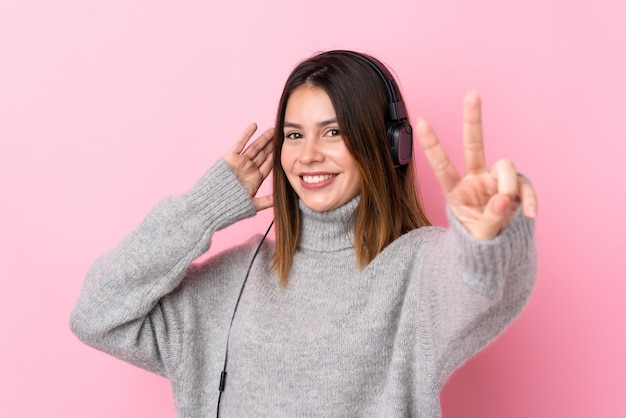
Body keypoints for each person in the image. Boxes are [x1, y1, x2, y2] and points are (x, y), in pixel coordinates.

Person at [70, 50, 537, 417]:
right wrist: (201, 210)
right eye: (294, 136)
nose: (308, 155)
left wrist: (486, 238)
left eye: (332, 133)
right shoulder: (237, 279)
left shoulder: (418, 269)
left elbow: (484, 288)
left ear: (389, 144)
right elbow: (96, 314)